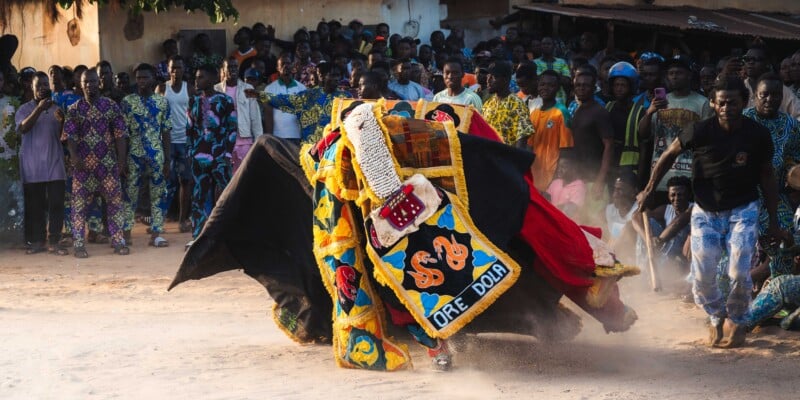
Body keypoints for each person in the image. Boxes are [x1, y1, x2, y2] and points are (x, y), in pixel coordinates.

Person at [638, 76, 788, 349]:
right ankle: (716, 315)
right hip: (705, 210)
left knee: (738, 268)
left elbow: (767, 175)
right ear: (713, 104)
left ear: (744, 103)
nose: (726, 107)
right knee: (704, 275)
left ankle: (739, 319)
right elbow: (669, 154)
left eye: (733, 102)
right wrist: (649, 188)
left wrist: (774, 221)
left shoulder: (757, 134)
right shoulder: (700, 131)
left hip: (744, 208)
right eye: (721, 102)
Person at [62, 69, 130, 258]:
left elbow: (120, 135)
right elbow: (70, 136)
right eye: (86, 82)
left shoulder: (111, 106)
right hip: (83, 167)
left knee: (115, 202)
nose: (90, 85)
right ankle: (78, 245)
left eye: (93, 81)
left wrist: (122, 160)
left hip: (107, 165)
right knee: (79, 205)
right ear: (80, 85)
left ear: (98, 83)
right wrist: (74, 157)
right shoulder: (74, 108)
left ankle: (118, 241)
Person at [744, 73, 800, 277]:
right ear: (755, 95)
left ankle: (776, 290)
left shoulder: (792, 126)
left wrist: (792, 174)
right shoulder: (743, 121)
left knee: (787, 242)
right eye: (764, 94)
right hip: (741, 197)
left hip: (775, 198)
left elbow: (794, 160)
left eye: (776, 95)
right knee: (733, 247)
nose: (770, 99)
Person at [638, 55, 714, 198]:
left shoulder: (702, 103)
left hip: (689, 178)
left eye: (679, 73)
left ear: (689, 75)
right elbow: (643, 134)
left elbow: (709, 141)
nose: (674, 77)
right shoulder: (661, 102)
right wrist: (649, 112)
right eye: (671, 73)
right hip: (660, 177)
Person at [120, 63, 172, 248]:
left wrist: (167, 159)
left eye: (145, 77)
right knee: (130, 194)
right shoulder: (127, 102)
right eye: (139, 78)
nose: (141, 81)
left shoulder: (162, 102)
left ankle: (156, 233)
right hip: (134, 154)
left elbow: (166, 131)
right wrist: (122, 160)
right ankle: (126, 234)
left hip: (156, 154)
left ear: (153, 80)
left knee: (158, 194)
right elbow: (123, 133)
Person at [186, 64, 237, 244]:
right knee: (198, 196)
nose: (197, 81)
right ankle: (198, 237)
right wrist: (191, 152)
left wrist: (227, 154)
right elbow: (189, 129)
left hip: (220, 157)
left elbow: (232, 128)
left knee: (226, 196)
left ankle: (229, 236)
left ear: (213, 79)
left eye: (201, 77)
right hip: (199, 157)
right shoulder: (193, 100)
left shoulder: (225, 101)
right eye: (196, 77)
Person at [16, 72, 66, 254]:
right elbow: (22, 128)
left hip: (55, 164)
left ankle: (55, 240)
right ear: (32, 88)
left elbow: (65, 138)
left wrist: (63, 122)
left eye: (46, 85)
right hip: (32, 166)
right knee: (35, 206)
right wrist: (38, 108)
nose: (43, 88)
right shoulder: (23, 109)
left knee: (56, 204)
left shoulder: (57, 109)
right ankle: (38, 241)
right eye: (39, 86)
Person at [256, 63, 350, 144]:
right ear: (321, 76)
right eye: (333, 75)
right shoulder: (308, 95)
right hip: (311, 147)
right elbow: (284, 101)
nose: (337, 78)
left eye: (338, 75)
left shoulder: (346, 98)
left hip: (334, 146)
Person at [156, 55, 194, 234]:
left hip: (185, 141)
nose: (175, 71)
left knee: (185, 181)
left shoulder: (190, 89)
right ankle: (159, 220)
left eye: (179, 68)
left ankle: (182, 220)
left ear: (184, 69)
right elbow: (155, 114)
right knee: (165, 180)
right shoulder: (162, 88)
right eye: (172, 68)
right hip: (167, 142)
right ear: (168, 70)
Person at [632, 176, 693, 280]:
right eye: (673, 195)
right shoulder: (666, 209)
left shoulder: (693, 208)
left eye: (680, 195)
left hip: (683, 253)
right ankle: (642, 273)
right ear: (668, 196)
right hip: (663, 247)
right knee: (648, 223)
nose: (676, 198)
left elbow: (677, 223)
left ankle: (661, 275)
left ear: (688, 195)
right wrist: (648, 240)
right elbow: (635, 217)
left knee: (678, 232)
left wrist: (659, 240)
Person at [570, 69, 614, 200]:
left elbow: (609, 146)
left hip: (594, 179)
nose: (581, 88)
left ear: (594, 88)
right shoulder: (577, 110)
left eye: (586, 85)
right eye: (578, 85)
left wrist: (600, 180)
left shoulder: (599, 112)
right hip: (579, 177)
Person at [214, 57, 263, 173]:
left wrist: (259, 142)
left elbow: (255, 118)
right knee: (225, 176)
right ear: (223, 70)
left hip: (244, 141)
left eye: (235, 67)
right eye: (229, 67)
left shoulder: (248, 89)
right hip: (224, 141)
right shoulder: (216, 89)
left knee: (244, 175)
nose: (233, 70)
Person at [527, 69, 573, 191]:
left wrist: (559, 177)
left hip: (552, 176)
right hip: (534, 175)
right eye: (542, 84)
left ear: (557, 88)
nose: (545, 88)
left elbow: (566, 149)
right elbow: (529, 146)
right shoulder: (534, 113)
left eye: (550, 85)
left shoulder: (561, 112)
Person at [605, 62, 647, 181]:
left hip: (629, 170)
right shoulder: (608, 107)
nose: (619, 88)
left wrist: (639, 179)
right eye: (616, 85)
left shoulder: (640, 112)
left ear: (631, 87)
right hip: (610, 165)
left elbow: (644, 148)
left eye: (623, 85)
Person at [741, 43, 800, 119]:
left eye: (757, 59)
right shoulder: (739, 87)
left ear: (768, 63)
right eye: (747, 59)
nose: (750, 62)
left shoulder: (782, 90)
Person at [482, 61, 534, 145]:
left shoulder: (516, 104)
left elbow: (522, 138)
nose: (488, 80)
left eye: (493, 77)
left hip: (505, 157)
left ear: (505, 79)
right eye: (488, 76)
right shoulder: (488, 103)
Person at [264, 53, 305, 143]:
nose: (286, 66)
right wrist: (270, 138)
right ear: (277, 68)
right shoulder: (269, 89)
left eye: (288, 63)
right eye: (282, 64)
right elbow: (268, 116)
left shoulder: (302, 88)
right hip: (277, 137)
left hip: (297, 136)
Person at [546, 152, 586, 219]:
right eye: (558, 166)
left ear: (574, 168)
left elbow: (569, 212)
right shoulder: (555, 183)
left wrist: (550, 210)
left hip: (568, 224)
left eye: (563, 167)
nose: (559, 170)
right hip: (552, 219)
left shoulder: (579, 187)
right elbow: (546, 200)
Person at [533, 37, 570, 104]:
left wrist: (544, 76)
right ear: (541, 46)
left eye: (548, 44)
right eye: (543, 44)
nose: (546, 46)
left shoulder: (562, 62)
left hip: (560, 99)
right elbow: (537, 80)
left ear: (554, 46)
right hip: (541, 100)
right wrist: (559, 76)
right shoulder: (535, 63)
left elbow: (567, 80)